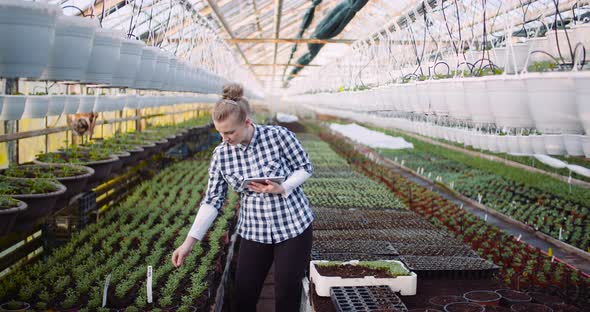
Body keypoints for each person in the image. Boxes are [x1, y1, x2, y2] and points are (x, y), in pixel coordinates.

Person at [172, 83, 315, 312]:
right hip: (254, 230)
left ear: (247, 122)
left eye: (230, 132)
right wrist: (189, 243)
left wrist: (284, 187)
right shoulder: (221, 156)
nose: (225, 138)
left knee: (286, 295)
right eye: (220, 132)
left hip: (293, 227)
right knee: (244, 295)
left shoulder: (278, 137)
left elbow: (305, 167)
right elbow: (212, 200)